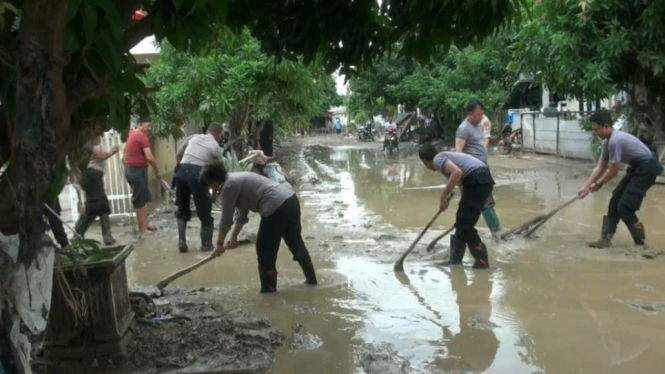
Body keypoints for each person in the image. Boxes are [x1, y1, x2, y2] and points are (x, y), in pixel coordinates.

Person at [200, 162, 317, 293]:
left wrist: (219, 244)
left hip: (275, 207)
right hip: (290, 200)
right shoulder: (236, 178)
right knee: (295, 243)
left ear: (214, 181)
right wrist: (233, 237)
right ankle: (312, 282)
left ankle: (269, 293)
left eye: (209, 186)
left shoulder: (229, 185)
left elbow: (226, 219)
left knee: (264, 251)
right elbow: (241, 214)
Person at [578, 111, 662, 248]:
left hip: (647, 167)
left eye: (596, 129)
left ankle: (642, 245)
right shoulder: (606, 143)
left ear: (606, 126)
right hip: (637, 166)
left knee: (625, 207)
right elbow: (600, 167)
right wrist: (585, 187)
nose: (595, 133)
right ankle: (605, 239)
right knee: (615, 200)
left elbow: (613, 170)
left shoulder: (615, 141)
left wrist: (598, 184)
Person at [419, 144, 495, 268]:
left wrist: (443, 197)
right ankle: (455, 260)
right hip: (481, 179)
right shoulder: (445, 158)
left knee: (465, 227)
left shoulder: (438, 159)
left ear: (426, 161)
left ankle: (482, 261)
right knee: (461, 222)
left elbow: (457, 173)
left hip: (477, 179)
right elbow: (461, 182)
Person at [174, 122, 224, 253]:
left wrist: (179, 168)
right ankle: (206, 245)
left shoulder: (193, 138)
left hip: (181, 171)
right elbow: (220, 172)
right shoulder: (215, 146)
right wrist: (213, 196)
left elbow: (178, 154)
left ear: (208, 130)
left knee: (182, 210)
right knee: (205, 211)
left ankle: (181, 241)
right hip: (197, 173)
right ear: (218, 134)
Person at [455, 99, 501, 235]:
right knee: (484, 201)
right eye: (479, 114)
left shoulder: (478, 126)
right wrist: (461, 180)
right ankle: (496, 231)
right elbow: (458, 154)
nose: (481, 117)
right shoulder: (463, 129)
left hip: (482, 169)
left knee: (487, 199)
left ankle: (472, 229)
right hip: (473, 172)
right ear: (470, 114)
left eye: (482, 114)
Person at [74, 140, 119, 245]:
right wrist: (113, 150)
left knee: (99, 205)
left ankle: (79, 235)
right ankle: (78, 235)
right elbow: (101, 155)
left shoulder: (87, 141)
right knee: (98, 206)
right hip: (92, 176)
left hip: (91, 176)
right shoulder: (89, 141)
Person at [123, 116, 161, 239]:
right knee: (140, 200)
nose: (149, 128)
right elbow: (149, 157)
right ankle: (143, 229)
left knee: (142, 198)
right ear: (140, 124)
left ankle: (144, 225)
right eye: (148, 125)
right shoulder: (141, 136)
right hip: (137, 171)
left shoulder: (131, 134)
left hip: (130, 170)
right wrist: (157, 171)